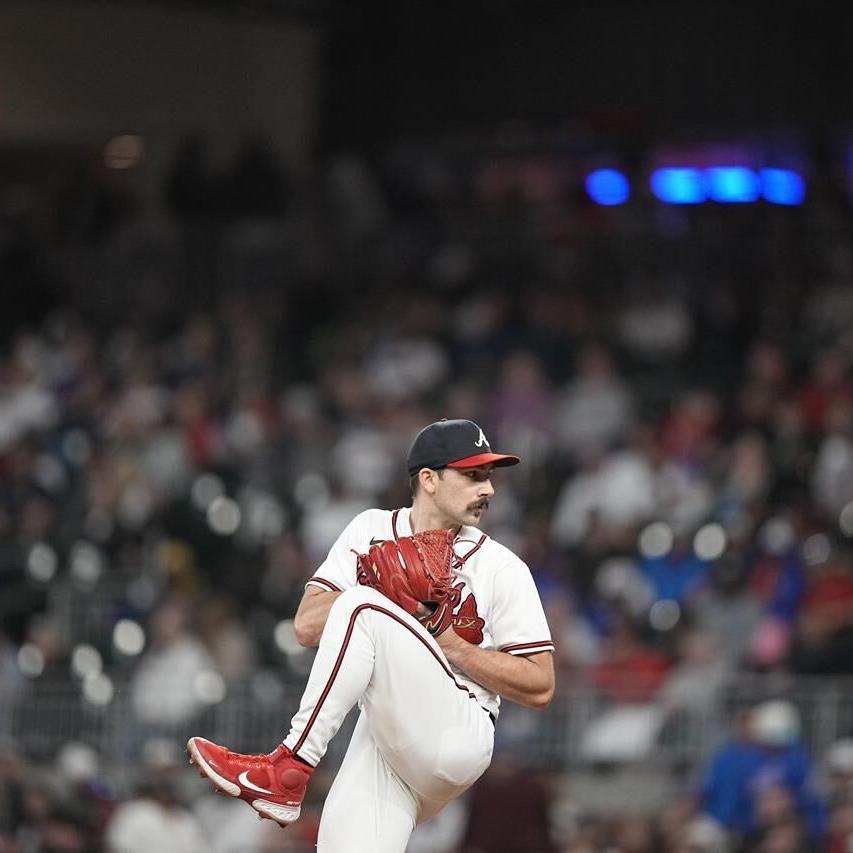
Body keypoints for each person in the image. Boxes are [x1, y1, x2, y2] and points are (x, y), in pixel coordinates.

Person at [188, 418, 555, 852]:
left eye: (488, 477)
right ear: (429, 479)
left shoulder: (500, 566)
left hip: (458, 727)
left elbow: (540, 684)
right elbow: (306, 627)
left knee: (361, 605)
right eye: (472, 475)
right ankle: (287, 774)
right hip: (388, 736)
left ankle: (290, 766)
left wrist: (448, 638)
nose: (487, 489)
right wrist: (386, 588)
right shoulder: (369, 530)